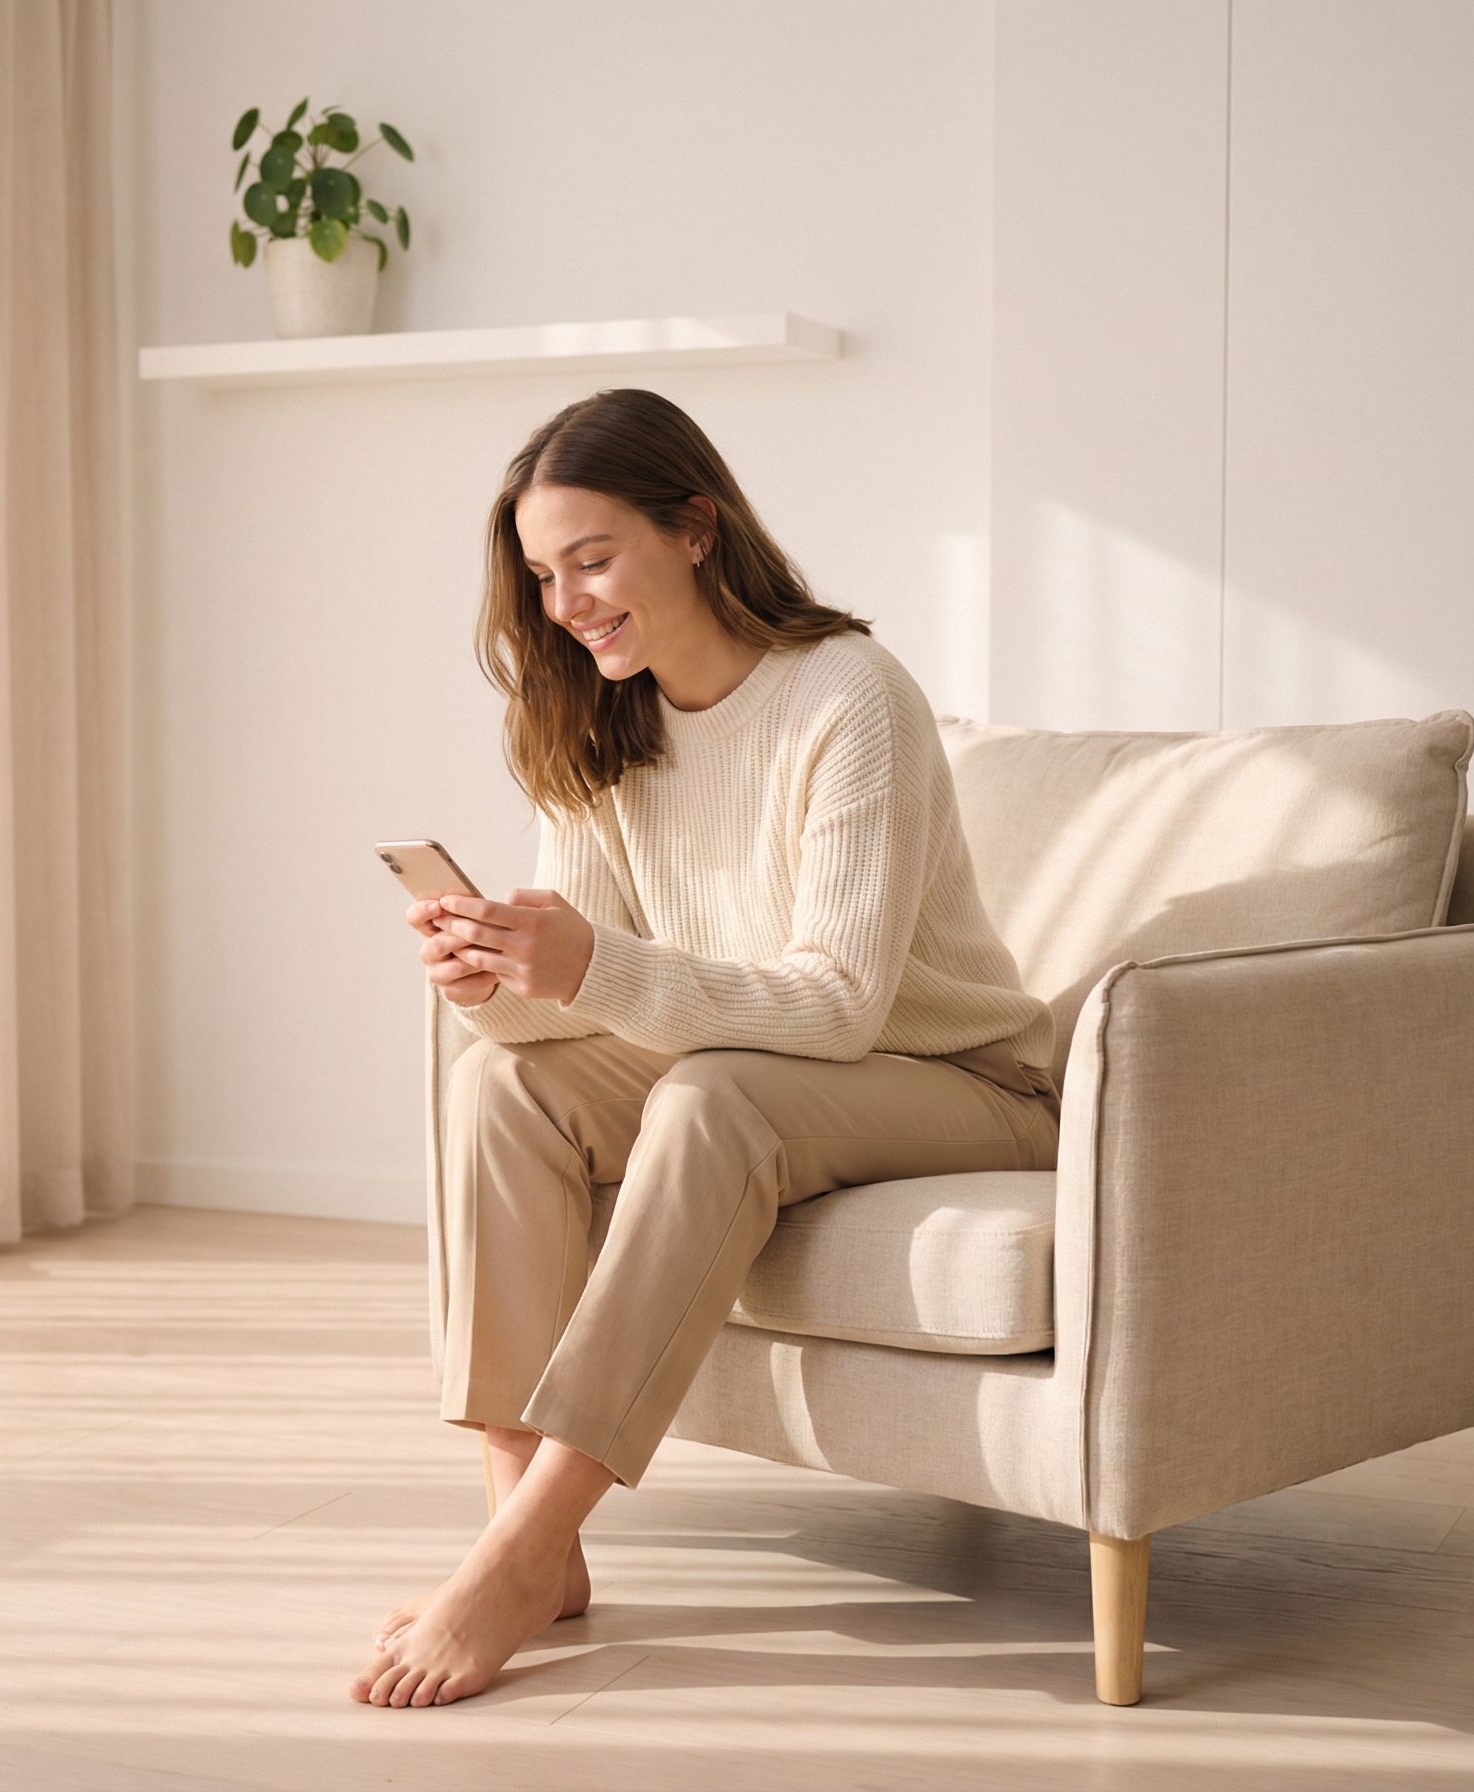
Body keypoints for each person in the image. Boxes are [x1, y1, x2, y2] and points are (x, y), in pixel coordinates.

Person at [353, 388, 1059, 1710]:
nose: (567, 603)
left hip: (963, 1082)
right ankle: (538, 1536)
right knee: (502, 1083)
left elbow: (841, 1004)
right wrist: (494, 985)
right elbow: (587, 1005)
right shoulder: (600, 719)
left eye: (594, 558)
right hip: (778, 1071)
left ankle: (513, 1555)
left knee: (717, 1097)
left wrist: (591, 965)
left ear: (695, 528)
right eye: (544, 574)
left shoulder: (852, 697)